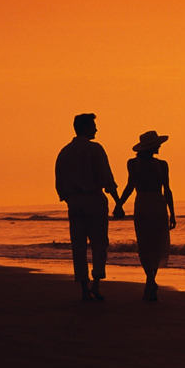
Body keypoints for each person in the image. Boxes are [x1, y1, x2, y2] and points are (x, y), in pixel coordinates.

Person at [55, 113, 120, 301]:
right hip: (93, 198)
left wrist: (69, 198)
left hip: (74, 201)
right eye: (93, 126)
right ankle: (97, 283)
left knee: (79, 244)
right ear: (84, 128)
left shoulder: (65, 152)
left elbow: (59, 181)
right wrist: (117, 201)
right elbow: (107, 178)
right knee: (99, 242)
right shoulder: (95, 149)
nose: (96, 129)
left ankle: (84, 286)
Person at [114, 131, 175, 301]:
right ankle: (151, 280)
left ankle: (150, 279)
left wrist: (119, 204)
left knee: (145, 244)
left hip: (142, 204)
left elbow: (129, 186)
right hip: (157, 204)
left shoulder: (134, 163)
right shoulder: (161, 165)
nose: (160, 146)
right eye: (158, 144)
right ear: (152, 147)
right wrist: (172, 213)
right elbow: (167, 191)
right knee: (156, 244)